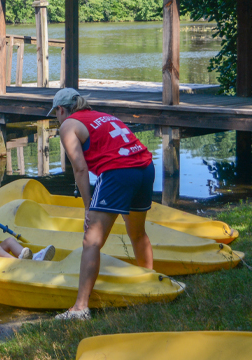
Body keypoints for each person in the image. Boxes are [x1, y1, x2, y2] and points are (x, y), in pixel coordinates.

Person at [51, 88, 155, 320]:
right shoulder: (104, 116)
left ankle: (80, 308)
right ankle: (151, 285)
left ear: (61, 109)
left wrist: (88, 206)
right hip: (145, 167)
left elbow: (80, 168)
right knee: (137, 233)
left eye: (55, 113)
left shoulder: (68, 124)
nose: (56, 118)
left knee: (91, 241)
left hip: (119, 172)